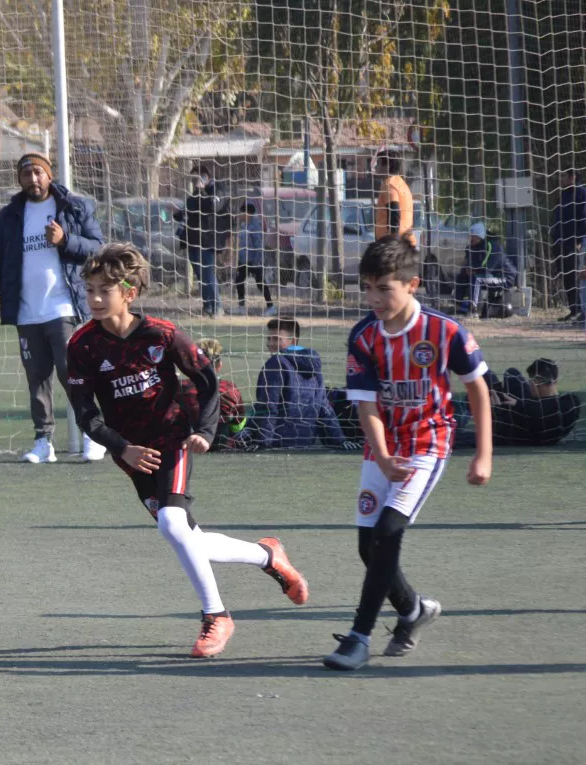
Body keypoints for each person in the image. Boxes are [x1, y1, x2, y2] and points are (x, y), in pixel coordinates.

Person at [66, 243, 310, 658]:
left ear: (129, 292)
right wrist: (122, 448)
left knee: (173, 526)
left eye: (102, 290)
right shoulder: (82, 346)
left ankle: (217, 616)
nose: (93, 299)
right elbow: (85, 415)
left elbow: (207, 379)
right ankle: (266, 555)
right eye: (88, 290)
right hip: (131, 453)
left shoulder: (162, 334)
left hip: (171, 439)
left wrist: (207, 430)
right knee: (186, 535)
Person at [324, 235, 492, 671]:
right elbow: (365, 404)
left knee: (387, 532)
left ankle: (358, 638)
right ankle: (414, 610)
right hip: (383, 447)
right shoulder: (363, 336)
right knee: (368, 546)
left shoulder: (445, 331)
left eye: (384, 288)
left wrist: (483, 454)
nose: (373, 297)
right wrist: (380, 455)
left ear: (412, 284)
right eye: (367, 287)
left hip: (428, 444)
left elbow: (477, 388)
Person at [0, 151, 107, 463]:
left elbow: (98, 248)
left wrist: (65, 240)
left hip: (62, 307)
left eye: (38, 173)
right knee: (36, 378)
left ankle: (91, 434)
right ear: (18, 179)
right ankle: (43, 441)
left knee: (70, 372)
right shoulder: (10, 215)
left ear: (49, 174)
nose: (33, 179)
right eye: (26, 174)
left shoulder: (74, 206)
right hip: (26, 311)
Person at [249, 317, 353, 450]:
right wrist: (339, 440)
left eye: (276, 339)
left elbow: (269, 406)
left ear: (293, 340)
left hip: (276, 441)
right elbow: (323, 407)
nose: (270, 343)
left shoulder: (276, 363)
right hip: (306, 443)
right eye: (269, 338)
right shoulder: (314, 365)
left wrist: (261, 441)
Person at [176, 338, 247, 451]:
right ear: (219, 365)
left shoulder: (181, 388)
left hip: (188, 443)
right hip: (222, 443)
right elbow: (238, 422)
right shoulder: (230, 388)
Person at [489, 359, 580, 446]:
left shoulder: (563, 405)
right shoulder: (571, 402)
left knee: (489, 377)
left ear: (534, 383)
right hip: (524, 419)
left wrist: (516, 404)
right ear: (555, 380)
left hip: (520, 430)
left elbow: (543, 413)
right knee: (512, 373)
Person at [175, 164, 226, 317]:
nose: (195, 181)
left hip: (207, 240)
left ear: (206, 176)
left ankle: (217, 307)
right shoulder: (195, 193)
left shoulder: (218, 189)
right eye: (194, 177)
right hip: (192, 240)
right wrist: (177, 213)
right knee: (200, 275)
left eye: (199, 176)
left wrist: (202, 190)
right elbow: (189, 207)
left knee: (208, 273)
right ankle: (207, 306)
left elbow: (212, 206)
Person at [549, 169, 586, 322]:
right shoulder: (564, 194)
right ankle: (574, 309)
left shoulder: (582, 193)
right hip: (560, 242)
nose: (561, 179)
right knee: (566, 276)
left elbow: (583, 218)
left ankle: (581, 310)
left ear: (573, 177)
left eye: (564, 176)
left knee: (576, 275)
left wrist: (578, 240)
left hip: (573, 242)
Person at [453, 222, 511, 316]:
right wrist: (466, 270)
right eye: (470, 236)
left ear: (479, 236)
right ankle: (459, 306)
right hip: (487, 275)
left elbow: (489, 267)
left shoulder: (493, 246)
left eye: (472, 236)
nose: (470, 238)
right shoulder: (471, 247)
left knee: (477, 279)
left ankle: (474, 310)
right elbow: (466, 263)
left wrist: (474, 270)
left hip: (503, 277)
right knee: (461, 277)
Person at [231, 202, 275, 316]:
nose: (239, 215)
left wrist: (256, 260)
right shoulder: (244, 225)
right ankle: (241, 307)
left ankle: (271, 307)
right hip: (244, 260)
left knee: (260, 283)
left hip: (254, 260)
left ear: (247, 213)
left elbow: (258, 244)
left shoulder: (255, 225)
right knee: (239, 281)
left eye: (241, 212)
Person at [372, 152, 415, 246]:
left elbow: (394, 213)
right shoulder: (402, 184)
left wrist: (392, 245)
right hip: (406, 244)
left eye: (378, 163)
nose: (375, 167)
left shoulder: (389, 184)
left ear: (388, 166)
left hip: (395, 246)